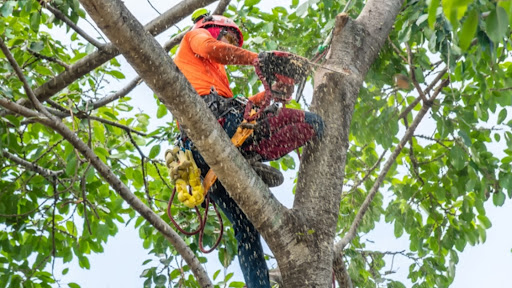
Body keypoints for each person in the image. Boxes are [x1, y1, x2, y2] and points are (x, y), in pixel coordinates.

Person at [171, 10, 324, 288]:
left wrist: (271, 93)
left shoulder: (217, 77)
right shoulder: (197, 36)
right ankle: (249, 156)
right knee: (310, 121)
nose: (231, 45)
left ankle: (258, 286)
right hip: (211, 128)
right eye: (228, 37)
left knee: (246, 230)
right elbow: (212, 49)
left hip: (219, 149)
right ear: (213, 28)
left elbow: (246, 106)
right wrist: (258, 58)